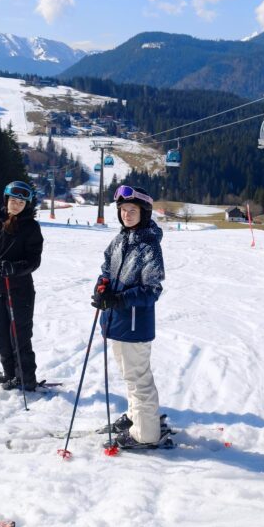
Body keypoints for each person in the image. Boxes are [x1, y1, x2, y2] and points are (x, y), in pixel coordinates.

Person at [91, 185, 165, 450]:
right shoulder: (120, 240)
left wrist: (119, 299)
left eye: (132, 210)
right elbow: (106, 271)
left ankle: (146, 434)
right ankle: (138, 418)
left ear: (143, 213)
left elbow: (152, 290)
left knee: (138, 378)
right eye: (123, 211)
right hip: (117, 322)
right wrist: (101, 289)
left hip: (135, 324)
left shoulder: (149, 245)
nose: (126, 215)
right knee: (129, 376)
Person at [0, 180, 43, 391]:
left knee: (19, 337)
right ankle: (9, 373)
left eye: (21, 202)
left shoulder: (31, 227)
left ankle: (26, 378)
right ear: (6, 200)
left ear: (27, 205)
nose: (16, 205)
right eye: (13, 200)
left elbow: (34, 260)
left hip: (20, 291)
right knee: (1, 336)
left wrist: (13, 268)